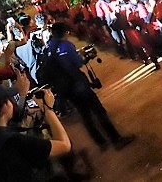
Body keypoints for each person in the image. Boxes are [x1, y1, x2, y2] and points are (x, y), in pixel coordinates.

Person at [45, 22, 135, 150]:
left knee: (85, 116)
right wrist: (83, 56)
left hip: (66, 88)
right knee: (98, 111)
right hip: (78, 84)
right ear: (65, 33)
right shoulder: (66, 45)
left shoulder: (49, 47)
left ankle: (101, 142)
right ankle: (116, 139)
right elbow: (78, 63)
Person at [0, 82, 71, 181]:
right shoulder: (12, 141)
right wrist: (48, 109)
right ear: (4, 107)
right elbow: (64, 145)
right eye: (8, 99)